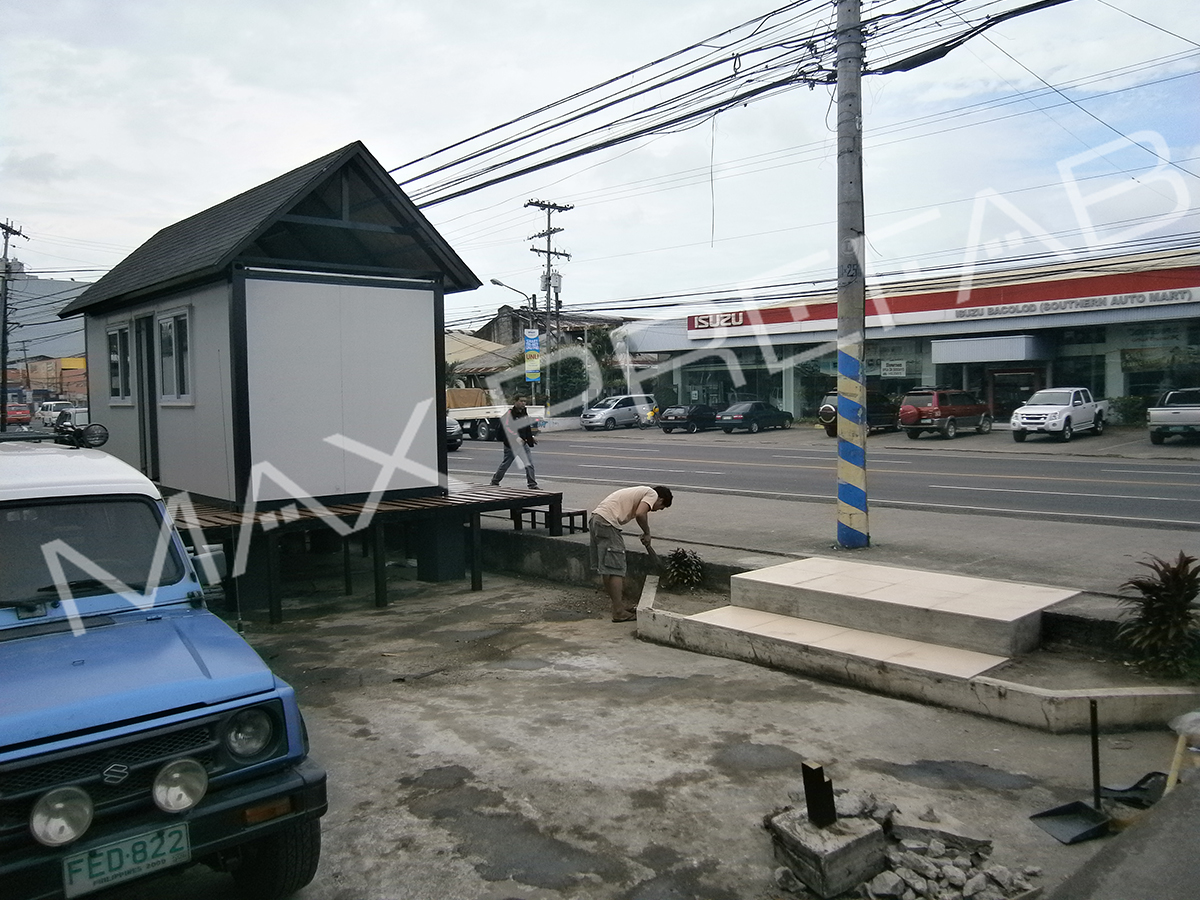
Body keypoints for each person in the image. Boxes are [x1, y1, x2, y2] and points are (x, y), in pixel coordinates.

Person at [589, 485, 673, 622]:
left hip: (596, 519)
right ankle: (618, 612)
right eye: (661, 507)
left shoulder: (640, 492)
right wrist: (647, 533)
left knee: (607, 569)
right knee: (616, 569)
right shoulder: (651, 493)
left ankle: (618, 606)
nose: (657, 510)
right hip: (607, 523)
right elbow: (641, 513)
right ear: (660, 499)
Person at [489, 395, 539, 489]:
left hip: (523, 444)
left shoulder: (524, 413)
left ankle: (532, 484)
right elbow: (506, 428)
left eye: (525, 401)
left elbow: (526, 427)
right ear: (515, 402)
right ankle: (495, 481)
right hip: (511, 445)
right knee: (505, 465)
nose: (523, 403)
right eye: (521, 401)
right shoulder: (509, 414)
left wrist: (531, 438)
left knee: (529, 464)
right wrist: (516, 437)